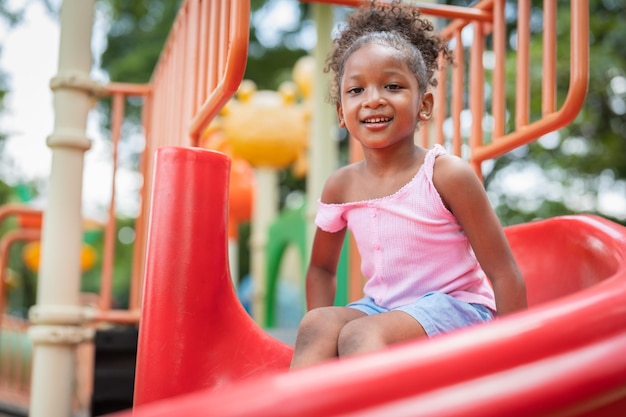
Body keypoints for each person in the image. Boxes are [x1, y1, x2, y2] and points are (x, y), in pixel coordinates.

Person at [290, 0, 527, 368]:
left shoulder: (446, 175)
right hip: (383, 309)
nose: (373, 100)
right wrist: (326, 343)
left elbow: (503, 271)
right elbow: (321, 269)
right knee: (317, 323)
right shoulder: (341, 186)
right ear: (341, 113)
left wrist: (515, 360)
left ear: (424, 104)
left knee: (361, 334)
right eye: (356, 90)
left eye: (392, 85)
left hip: (459, 309)